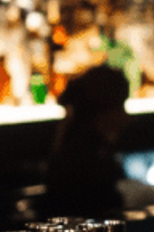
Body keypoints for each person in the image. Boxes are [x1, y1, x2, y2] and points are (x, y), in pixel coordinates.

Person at [45, 63, 131, 218]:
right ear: (103, 110)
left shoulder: (75, 142)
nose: (126, 117)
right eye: (121, 106)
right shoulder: (84, 157)